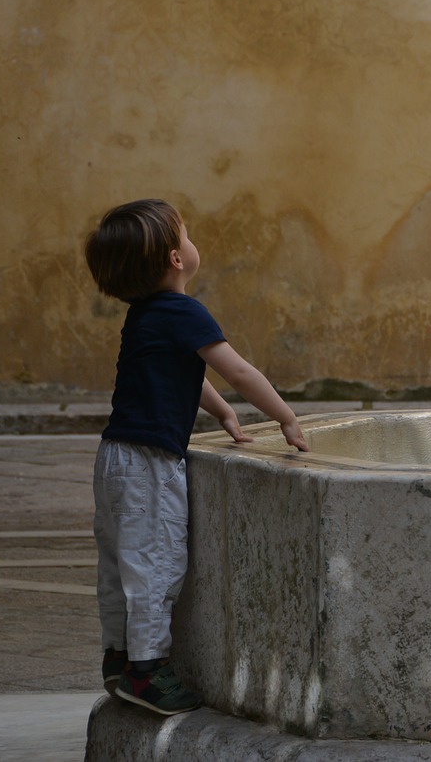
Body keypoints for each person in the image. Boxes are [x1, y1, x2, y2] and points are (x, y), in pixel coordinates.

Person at [83, 199, 308, 716]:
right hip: (148, 465)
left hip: (114, 457)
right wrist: (286, 417)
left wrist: (224, 414)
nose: (191, 240)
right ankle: (148, 673)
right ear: (175, 258)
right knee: (155, 565)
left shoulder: (146, 315)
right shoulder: (184, 311)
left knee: (119, 565)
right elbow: (239, 370)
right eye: (187, 234)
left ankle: (118, 661)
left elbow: (186, 374)